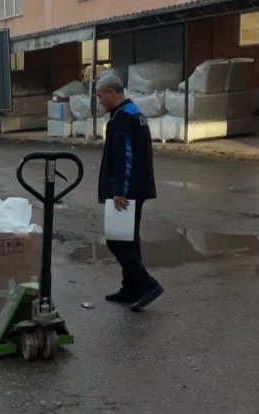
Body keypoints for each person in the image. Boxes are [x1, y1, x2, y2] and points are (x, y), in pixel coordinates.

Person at [95, 74, 164, 311]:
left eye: (100, 95)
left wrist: (118, 191)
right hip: (137, 188)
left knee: (117, 240)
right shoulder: (133, 112)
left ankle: (148, 285)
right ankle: (130, 288)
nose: (99, 101)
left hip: (127, 192)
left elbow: (125, 157)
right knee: (128, 239)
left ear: (112, 92)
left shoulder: (123, 118)